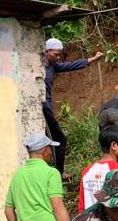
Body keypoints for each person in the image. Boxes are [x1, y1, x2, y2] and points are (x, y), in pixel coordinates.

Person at [44, 37, 103, 179]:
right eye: (55, 54)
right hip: (42, 108)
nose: (58, 58)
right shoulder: (37, 67)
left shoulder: (53, 66)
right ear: (46, 51)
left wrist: (92, 59)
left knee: (50, 140)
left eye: (60, 55)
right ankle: (58, 172)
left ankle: (55, 171)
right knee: (59, 138)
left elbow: (70, 65)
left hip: (47, 108)